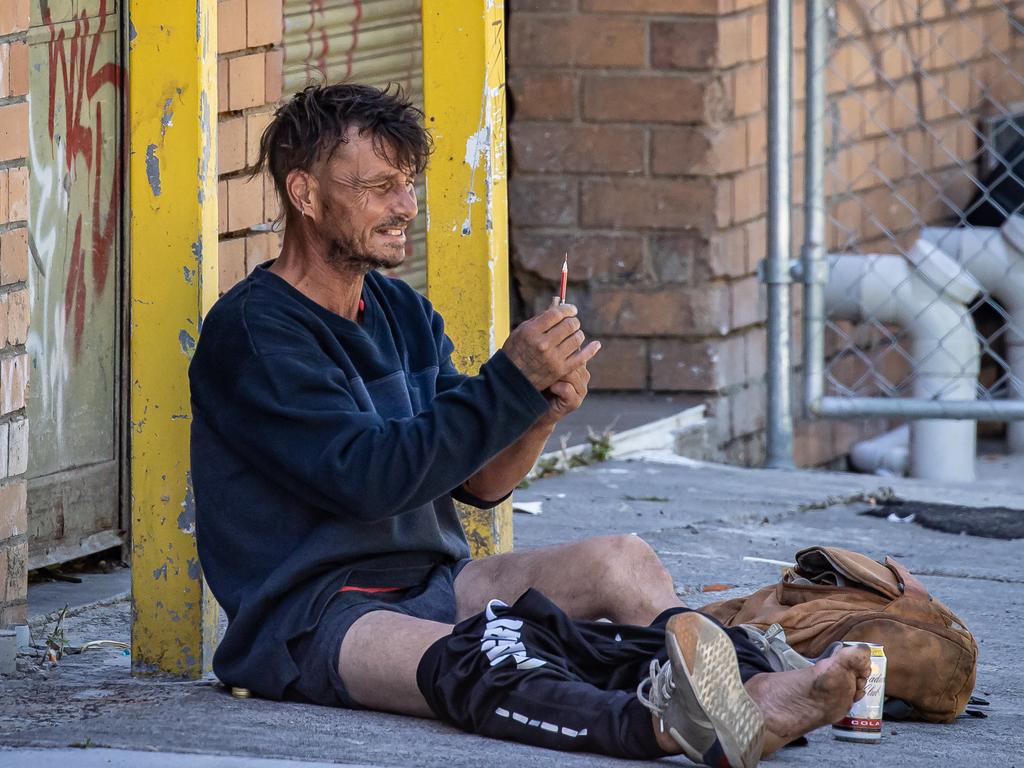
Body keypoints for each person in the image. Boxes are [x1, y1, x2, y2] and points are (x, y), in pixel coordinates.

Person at [189, 83, 870, 767]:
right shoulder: (255, 331)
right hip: (316, 620)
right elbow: (369, 480)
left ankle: (750, 684)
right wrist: (507, 384)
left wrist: (539, 413)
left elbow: (479, 482)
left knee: (622, 560)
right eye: (378, 187)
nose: (405, 207)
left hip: (432, 586)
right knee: (495, 656)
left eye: (408, 183)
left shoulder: (401, 312)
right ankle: (669, 727)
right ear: (304, 195)